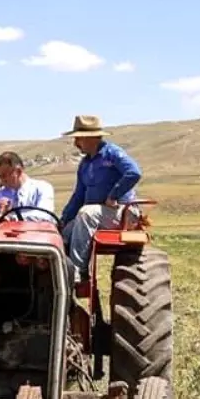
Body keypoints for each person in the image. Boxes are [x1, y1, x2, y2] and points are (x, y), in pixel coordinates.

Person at [58, 115, 142, 278]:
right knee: (66, 232)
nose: (75, 144)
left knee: (86, 213)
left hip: (121, 213)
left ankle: (77, 272)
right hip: (95, 215)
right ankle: (60, 272)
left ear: (91, 138)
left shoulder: (112, 153)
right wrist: (63, 220)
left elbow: (134, 173)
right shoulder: (85, 164)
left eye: (78, 139)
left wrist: (114, 195)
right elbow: (79, 195)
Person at [0, 151, 56, 228]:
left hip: (35, 236)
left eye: (4, 176)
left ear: (18, 171)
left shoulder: (42, 188)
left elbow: (44, 215)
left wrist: (12, 217)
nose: (1, 180)